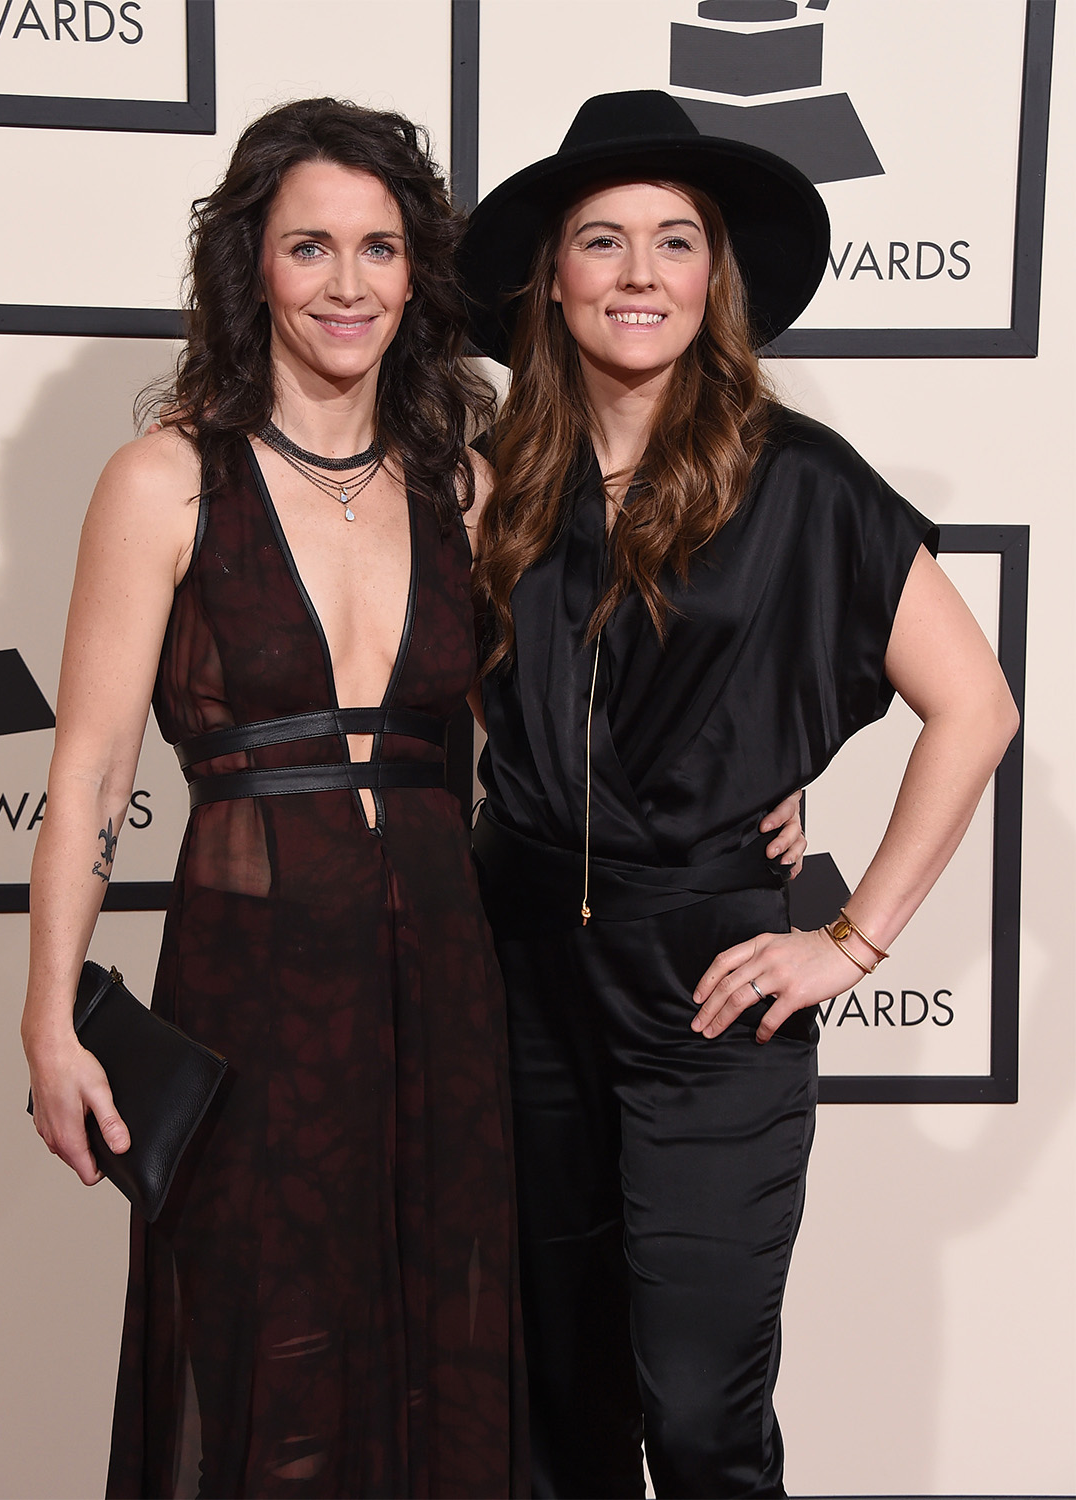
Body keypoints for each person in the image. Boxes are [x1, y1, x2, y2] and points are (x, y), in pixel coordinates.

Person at [460, 90, 1019, 1500]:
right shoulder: (490, 485)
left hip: (710, 999)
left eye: (675, 241)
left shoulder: (800, 481)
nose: (639, 272)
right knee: (555, 1414)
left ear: (716, 279)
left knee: (701, 1419)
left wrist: (847, 941)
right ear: (552, 278)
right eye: (603, 241)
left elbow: (978, 708)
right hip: (519, 985)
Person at [20, 98, 529, 1499]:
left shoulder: (466, 489)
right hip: (247, 982)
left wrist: (755, 804)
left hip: (443, 983)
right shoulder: (165, 480)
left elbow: (549, 746)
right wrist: (47, 1023)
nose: (348, 284)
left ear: (418, 272)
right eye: (311, 247)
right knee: (260, 1349)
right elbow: (92, 774)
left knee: (448, 1331)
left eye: (378, 248)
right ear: (255, 266)